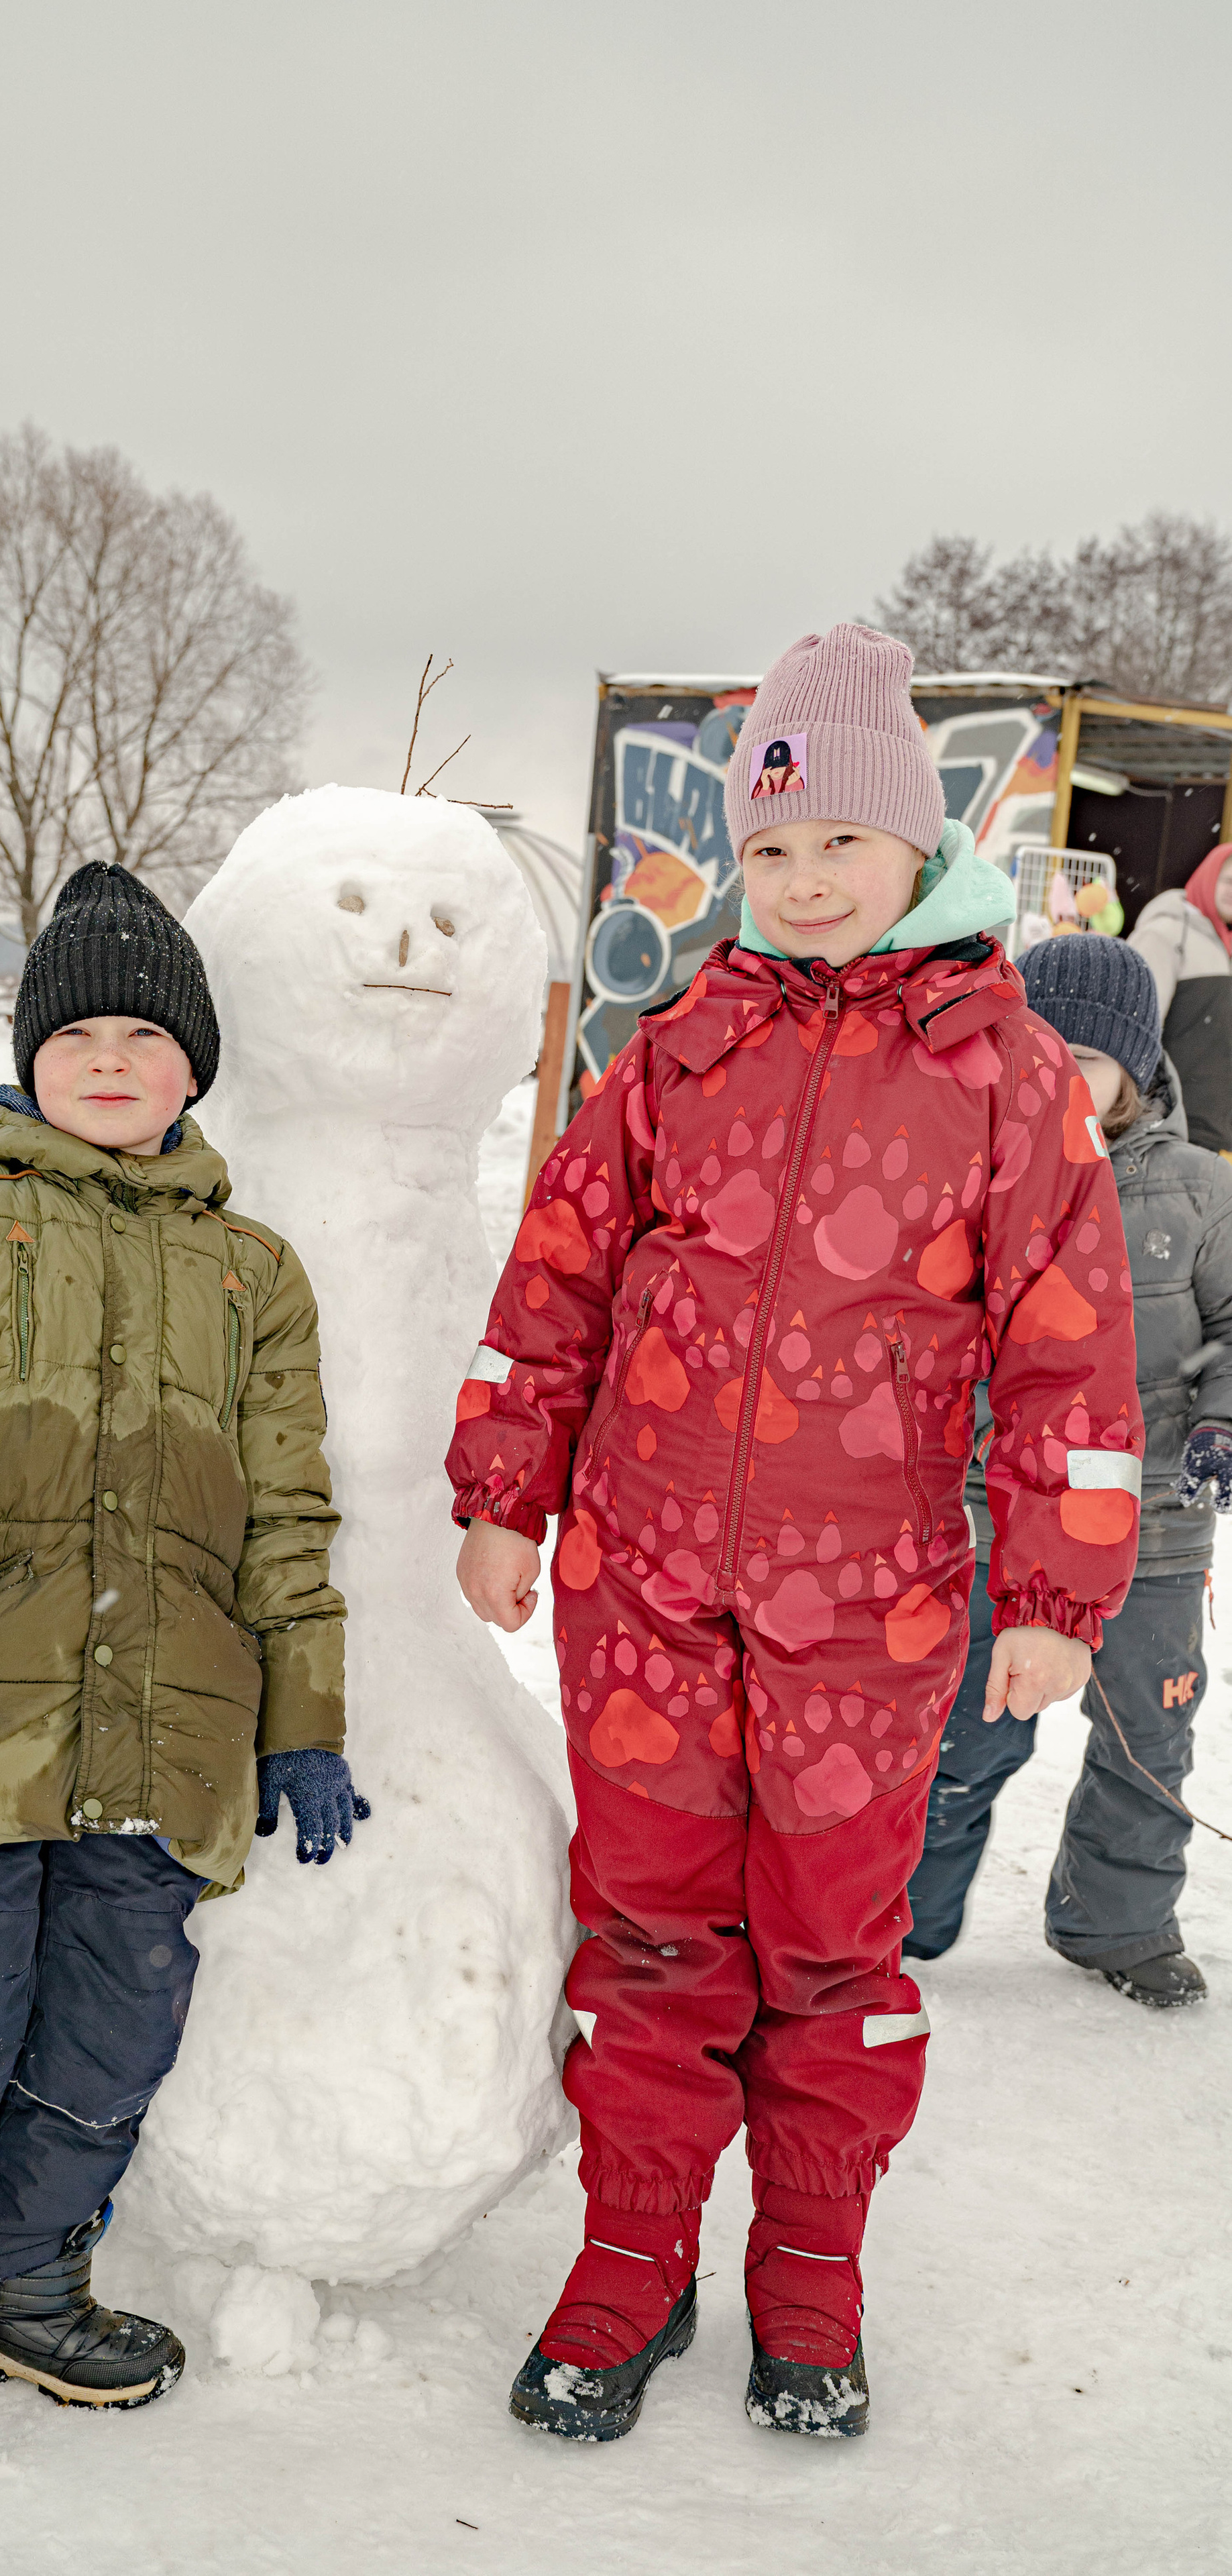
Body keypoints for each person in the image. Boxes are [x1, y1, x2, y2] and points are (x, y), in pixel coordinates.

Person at [447, 624, 1141, 2446]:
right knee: (653, 1940)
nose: (805, 878)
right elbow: (559, 1279)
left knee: (835, 1962)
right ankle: (633, 2262)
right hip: (646, 1591)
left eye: (839, 840)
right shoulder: (677, 1051)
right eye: (771, 850)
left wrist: (1061, 1586)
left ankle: (811, 2278)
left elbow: (1070, 1345)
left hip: (870, 1623)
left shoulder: (1004, 1078)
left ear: (920, 846)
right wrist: (508, 1486)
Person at [0, 861, 366, 2457]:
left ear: (194, 1066)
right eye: (76, 1031)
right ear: (29, 1056)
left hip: (171, 1739)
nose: (108, 1058)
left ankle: (21, 2284)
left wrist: (301, 1718)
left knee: (106, 2036)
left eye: (143, 1032)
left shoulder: (253, 1276)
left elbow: (289, 1511)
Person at [906, 936, 1232, 2002]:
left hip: (1159, 1526)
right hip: (1011, 1518)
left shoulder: (1198, 1191)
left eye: (1089, 1060)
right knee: (968, 1724)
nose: (1062, 1077)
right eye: (1040, 1051)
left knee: (1150, 1735)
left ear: (1137, 1072)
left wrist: (1220, 1426)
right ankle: (902, 1915)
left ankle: (1118, 1924)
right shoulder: (981, 1175)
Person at [1127, 843, 1232, 1157]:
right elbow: (1137, 1029)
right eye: (1229, 880)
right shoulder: (1165, 934)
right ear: (1209, 877)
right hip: (1173, 1124)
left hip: (1217, 1128)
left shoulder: (1226, 946)